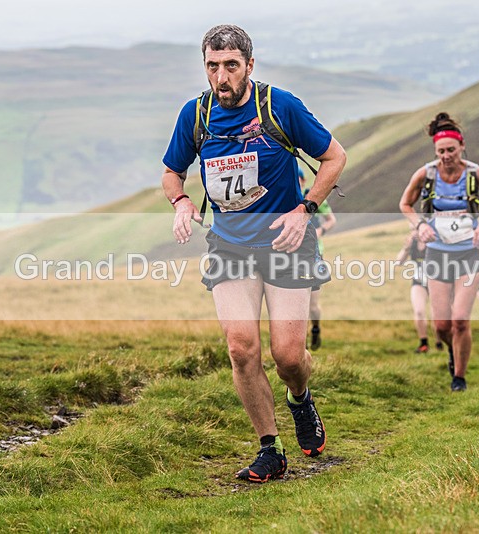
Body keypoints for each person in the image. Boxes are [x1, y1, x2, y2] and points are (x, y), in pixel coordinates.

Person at [161, 25, 346, 483]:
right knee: (241, 348)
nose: (221, 77)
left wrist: (305, 210)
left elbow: (335, 157)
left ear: (249, 65)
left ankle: (300, 397)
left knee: (288, 357)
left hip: (286, 243)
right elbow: (171, 171)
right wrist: (181, 201)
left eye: (231, 66)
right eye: (212, 66)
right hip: (229, 245)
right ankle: (271, 449)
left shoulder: (279, 106)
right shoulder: (196, 115)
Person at [399, 112, 479, 392]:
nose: (446, 156)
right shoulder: (426, 174)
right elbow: (405, 204)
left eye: (451, 150)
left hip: (469, 254)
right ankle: (453, 350)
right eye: (441, 151)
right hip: (437, 255)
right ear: (435, 151)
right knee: (442, 326)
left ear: (462, 146)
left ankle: (459, 377)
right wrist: (419, 225)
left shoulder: (476, 174)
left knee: (460, 319)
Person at [299, 167, 337, 350]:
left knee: (312, 305)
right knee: (299, 302)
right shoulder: (283, 198)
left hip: (314, 254)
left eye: (298, 179)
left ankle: (315, 328)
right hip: (289, 256)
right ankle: (301, 344)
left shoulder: (312, 196)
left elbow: (331, 220)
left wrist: (320, 230)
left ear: (303, 181)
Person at [396, 230, 432, 353]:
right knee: (419, 311)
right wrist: (406, 247)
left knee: (438, 315)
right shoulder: (413, 243)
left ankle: (440, 341)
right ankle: (424, 344)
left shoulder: (433, 239)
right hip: (418, 281)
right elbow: (398, 262)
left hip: (436, 281)